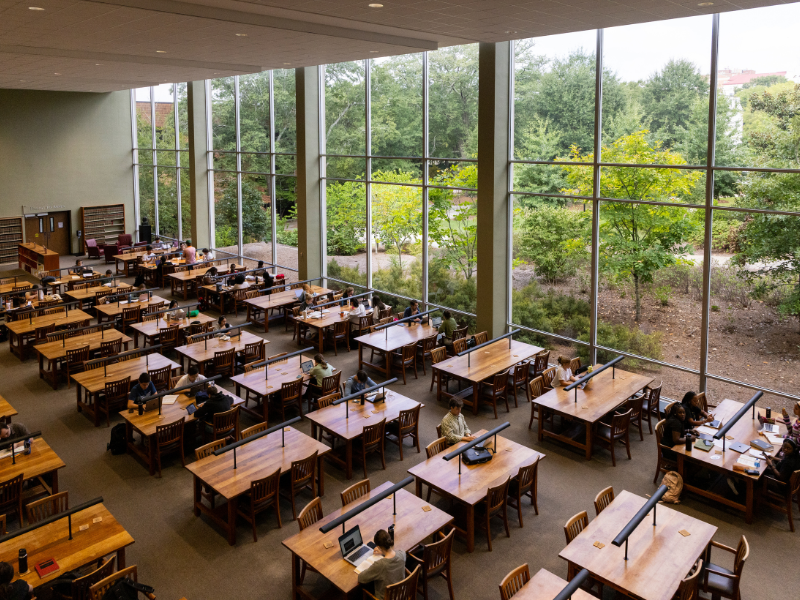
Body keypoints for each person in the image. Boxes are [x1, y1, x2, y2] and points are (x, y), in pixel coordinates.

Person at [356, 529, 407, 600]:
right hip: (401, 595)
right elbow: (394, 553)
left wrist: (383, 552)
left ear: (379, 547)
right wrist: (383, 552)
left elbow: (361, 578)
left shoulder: (380, 565)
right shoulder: (402, 554)